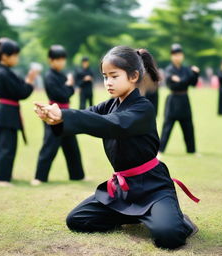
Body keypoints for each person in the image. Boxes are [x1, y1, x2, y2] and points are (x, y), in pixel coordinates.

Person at [34, 46, 200, 250]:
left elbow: (113, 124)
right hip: (122, 190)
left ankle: (175, 219)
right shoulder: (109, 105)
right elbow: (87, 115)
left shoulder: (143, 108)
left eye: (114, 76)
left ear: (133, 76)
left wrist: (65, 116)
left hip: (153, 187)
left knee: (169, 236)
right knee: (77, 219)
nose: (108, 82)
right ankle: (139, 215)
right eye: (105, 77)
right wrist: (55, 118)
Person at [32, 45, 85, 185]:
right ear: (51, 60)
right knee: (49, 146)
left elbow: (69, 93)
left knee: (71, 146)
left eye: (63, 59)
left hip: (66, 114)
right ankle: (39, 177)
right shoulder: (49, 76)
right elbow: (61, 95)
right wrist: (69, 85)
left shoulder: (61, 75)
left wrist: (68, 87)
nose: (61, 62)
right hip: (53, 114)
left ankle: (78, 176)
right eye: (58, 60)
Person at [0, 37, 38, 186]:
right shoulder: (3, 73)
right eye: (15, 55)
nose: (17, 58)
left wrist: (27, 82)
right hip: (7, 114)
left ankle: (1, 175)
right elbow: (21, 92)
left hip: (5, 113)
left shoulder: (3, 71)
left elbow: (19, 88)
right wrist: (30, 81)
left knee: (4, 146)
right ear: (5, 56)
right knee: (7, 147)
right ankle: (2, 179)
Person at [159, 44, 200, 154]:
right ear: (171, 56)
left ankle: (191, 150)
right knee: (167, 126)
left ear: (182, 56)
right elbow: (172, 85)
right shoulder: (169, 69)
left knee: (188, 126)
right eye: (175, 55)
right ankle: (160, 150)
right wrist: (186, 79)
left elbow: (193, 84)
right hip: (173, 101)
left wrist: (195, 74)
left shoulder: (186, 69)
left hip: (184, 100)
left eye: (179, 54)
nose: (177, 57)